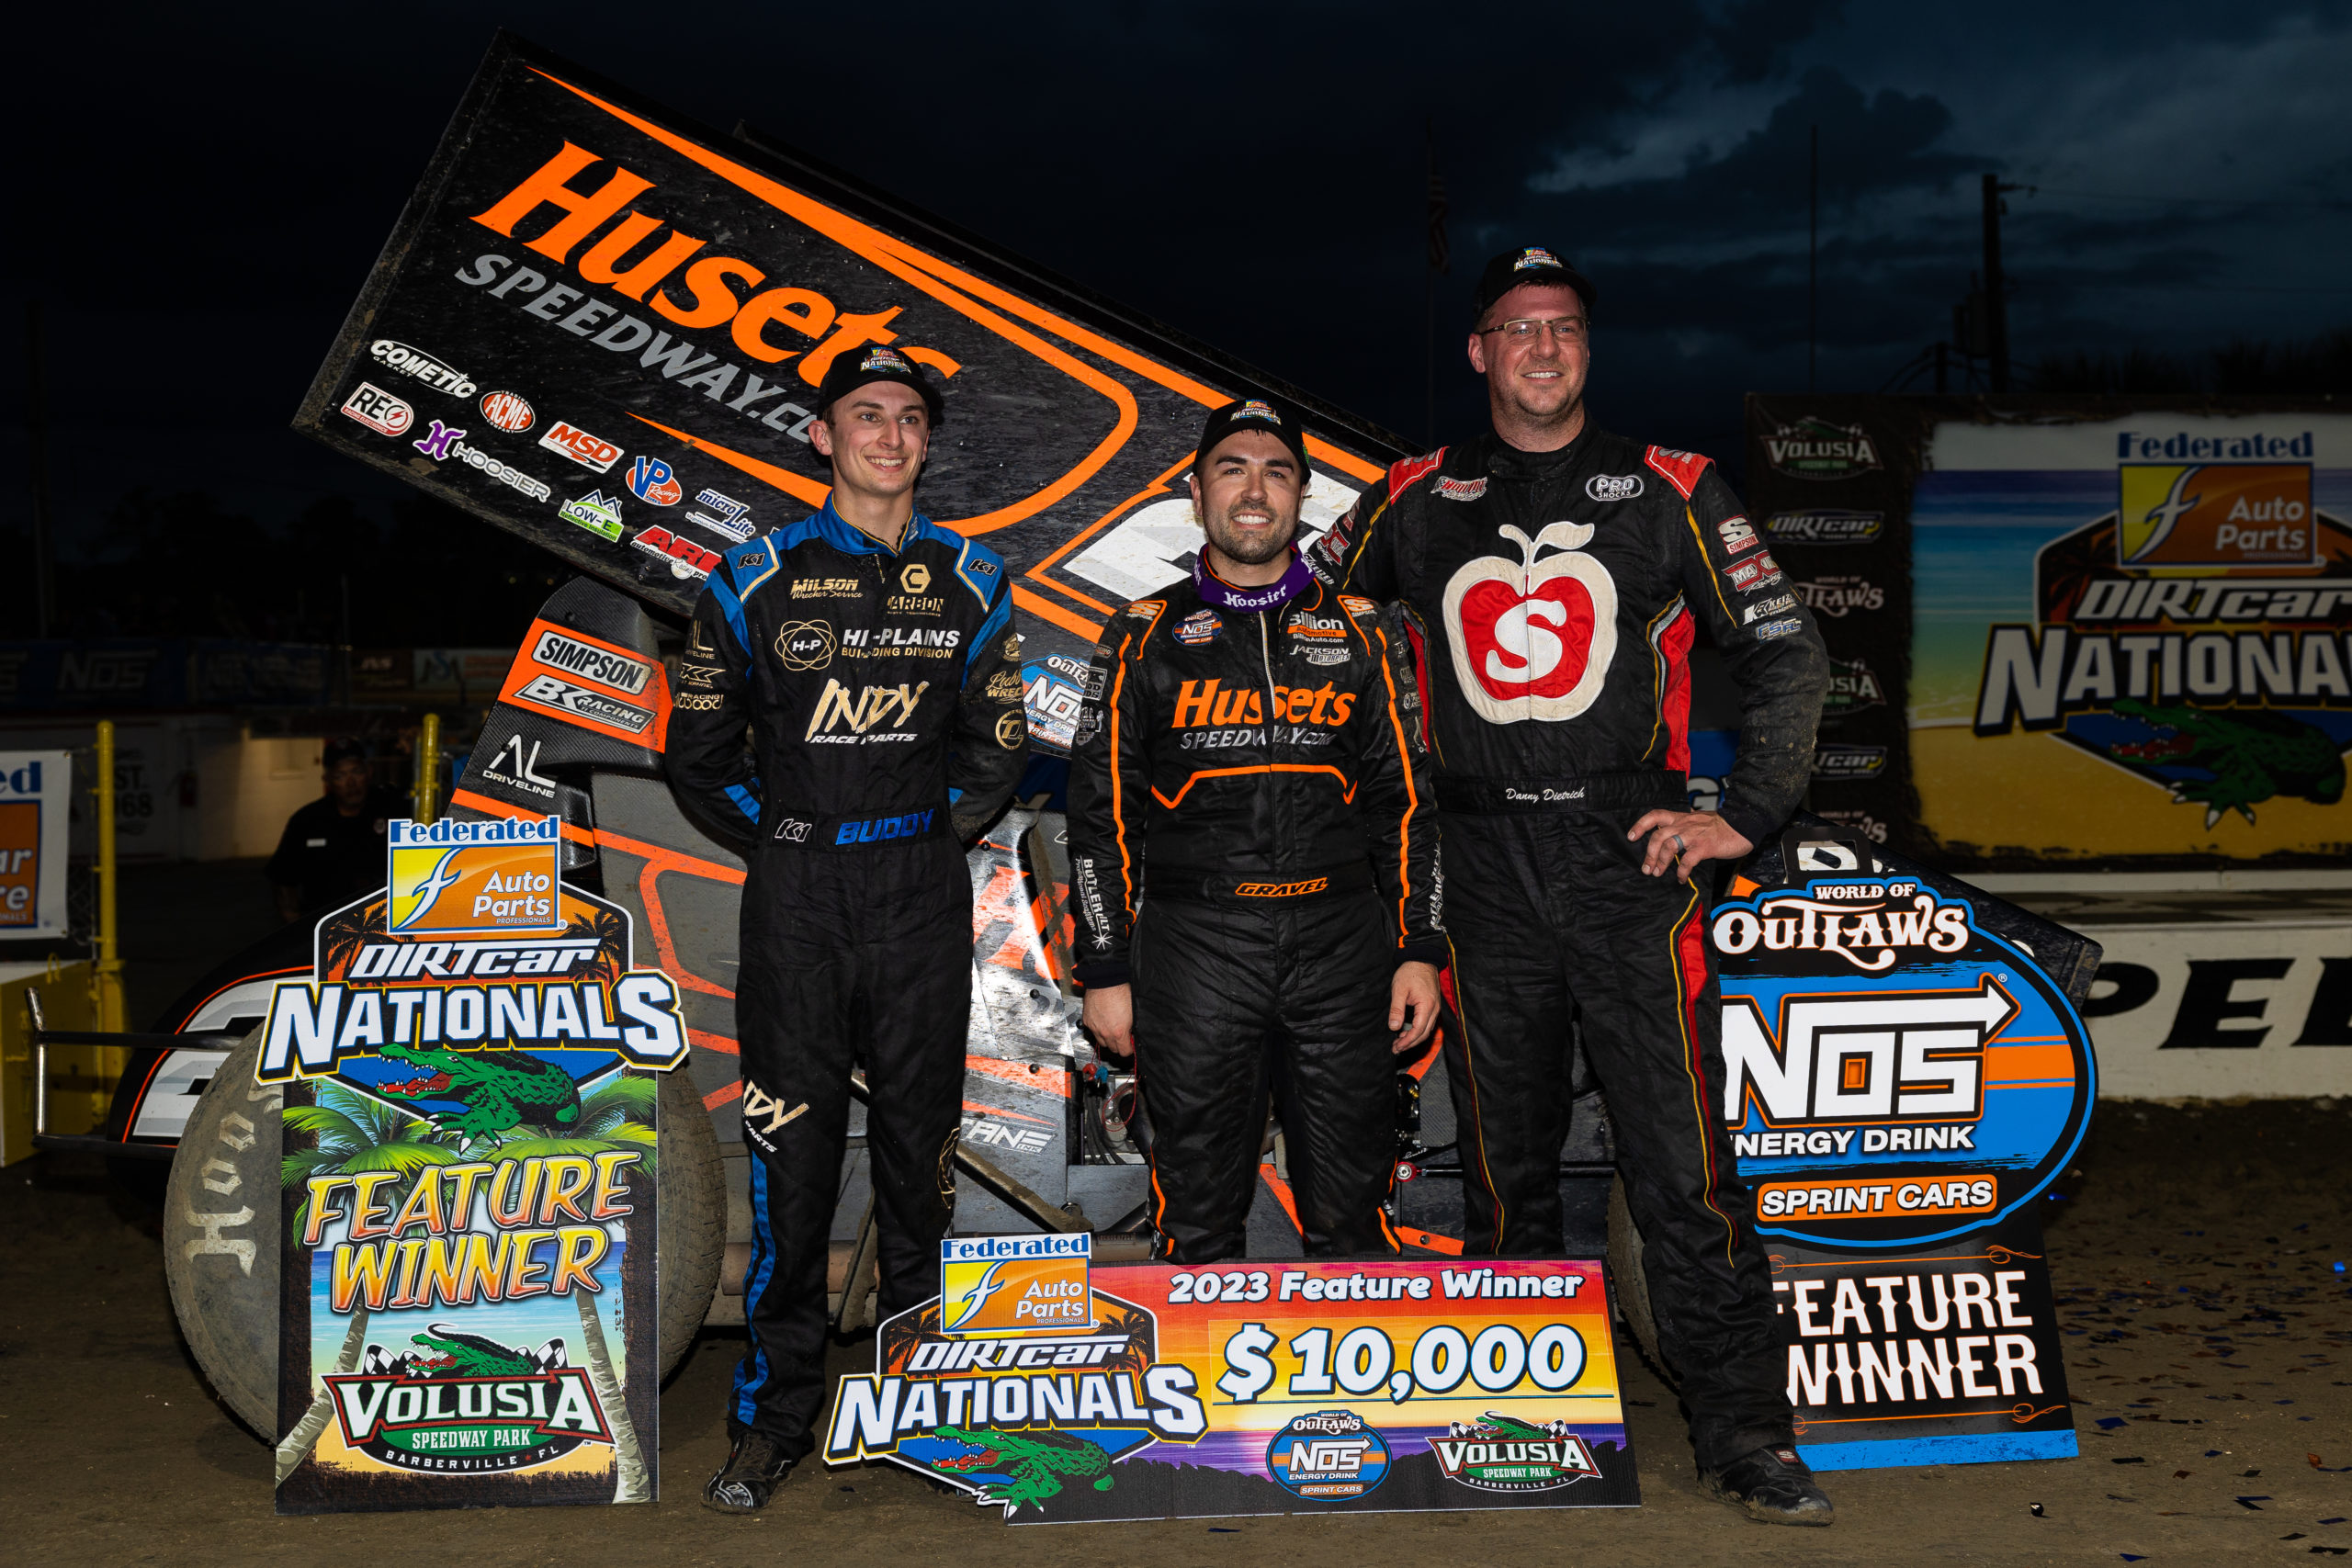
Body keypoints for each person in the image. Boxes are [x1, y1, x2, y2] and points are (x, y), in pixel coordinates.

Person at [1306, 247, 1835, 1525]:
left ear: (1587, 348)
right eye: (1517, 327)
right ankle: (1522, 1414)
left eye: (1566, 327)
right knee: (1501, 1165)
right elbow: (1298, 621)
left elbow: (1792, 655)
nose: (1543, 347)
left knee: (1683, 1159)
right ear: (1478, 350)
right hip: (1476, 862)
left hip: (1629, 860)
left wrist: (1743, 816)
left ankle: (1744, 1431)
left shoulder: (1676, 486)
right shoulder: (1410, 495)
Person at [664, 344, 1029, 1513]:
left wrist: (926, 838)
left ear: (927, 443)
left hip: (921, 901)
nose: (888, 435)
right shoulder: (752, 577)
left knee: (922, 1171)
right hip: (799, 908)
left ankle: (921, 1405)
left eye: (909, 419)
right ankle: (774, 1419)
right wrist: (789, 839)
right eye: (865, 415)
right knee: (795, 1172)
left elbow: (998, 749)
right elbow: (698, 756)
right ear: (822, 436)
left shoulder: (974, 577)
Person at [1068, 398, 1444, 1262]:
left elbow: (1409, 802)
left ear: (1302, 497)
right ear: (1196, 493)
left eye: (1277, 472)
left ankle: (1360, 1390)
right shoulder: (1141, 633)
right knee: (1196, 1220)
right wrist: (1106, 967)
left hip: (1343, 947)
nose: (1254, 489)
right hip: (1196, 947)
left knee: (1353, 1219)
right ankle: (1199, 1395)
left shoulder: (1366, 629)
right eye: (1232, 469)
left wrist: (1419, 945)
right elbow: (1101, 814)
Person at [266, 738, 404, 922]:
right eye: (340, 775)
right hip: (325, 927)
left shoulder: (394, 809)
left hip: (387, 922)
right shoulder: (307, 820)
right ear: (327, 780)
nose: (351, 782)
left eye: (357, 772)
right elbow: (283, 878)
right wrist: (295, 926)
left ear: (369, 772)